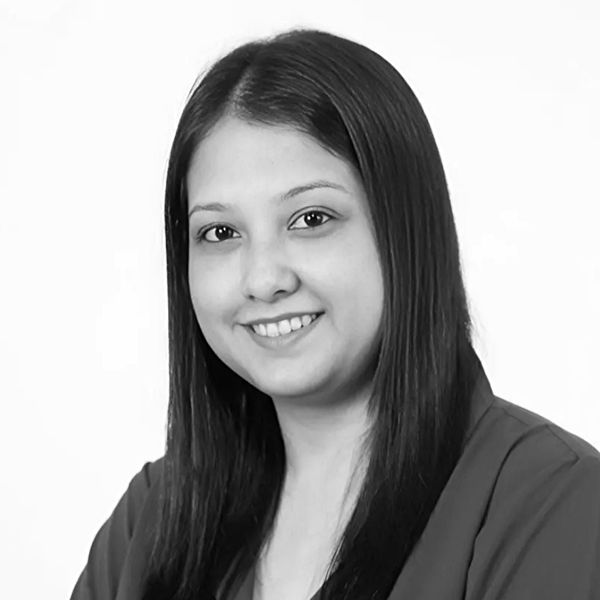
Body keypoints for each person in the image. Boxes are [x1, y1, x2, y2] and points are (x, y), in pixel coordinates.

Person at [70, 28, 600, 600]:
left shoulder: (553, 501)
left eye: (312, 219)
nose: (263, 279)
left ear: (405, 229)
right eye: (220, 232)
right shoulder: (151, 518)